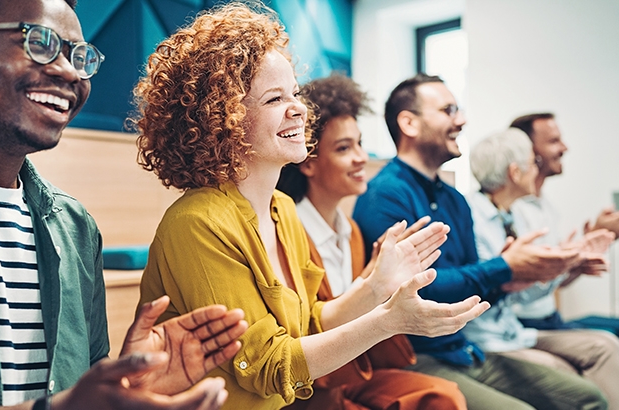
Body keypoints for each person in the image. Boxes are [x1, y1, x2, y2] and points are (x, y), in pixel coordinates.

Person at [0, 0, 249, 408]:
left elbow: (80, 388)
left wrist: (130, 383)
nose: (67, 71)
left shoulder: (75, 227)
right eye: (39, 42)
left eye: (79, 56)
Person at [132, 4, 489, 410]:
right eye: (273, 99)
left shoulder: (282, 209)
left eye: (295, 94)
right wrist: (388, 319)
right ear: (223, 119)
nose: (298, 108)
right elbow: (268, 365)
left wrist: (376, 287)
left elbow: (311, 322)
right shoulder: (196, 223)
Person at [352, 73, 607, 410]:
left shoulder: (455, 200)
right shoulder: (384, 195)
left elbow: (471, 286)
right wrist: (503, 267)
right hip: (419, 355)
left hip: (462, 348)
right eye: (448, 110)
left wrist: (514, 279)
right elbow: (419, 291)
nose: (462, 120)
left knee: (589, 398)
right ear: (409, 123)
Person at [276, 73, 467, 410]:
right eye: (344, 148)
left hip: (353, 367)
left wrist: (375, 276)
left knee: (443, 397)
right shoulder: (288, 231)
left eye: (360, 143)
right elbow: (308, 331)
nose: (361, 157)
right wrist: (373, 280)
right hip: (312, 381)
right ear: (308, 162)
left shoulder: (349, 230)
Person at [466, 128, 619, 407]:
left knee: (607, 345)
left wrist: (566, 264)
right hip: (489, 339)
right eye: (531, 163)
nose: (535, 170)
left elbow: (524, 293)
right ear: (514, 172)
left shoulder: (515, 216)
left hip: (514, 331)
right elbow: (487, 288)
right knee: (566, 374)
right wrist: (554, 266)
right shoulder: (470, 218)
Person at [510, 112, 619, 335]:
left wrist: (593, 244)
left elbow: (559, 279)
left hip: (551, 317)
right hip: (527, 323)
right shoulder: (513, 211)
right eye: (553, 141)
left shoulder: (546, 206)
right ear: (529, 152)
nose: (564, 148)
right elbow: (532, 281)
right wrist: (584, 246)